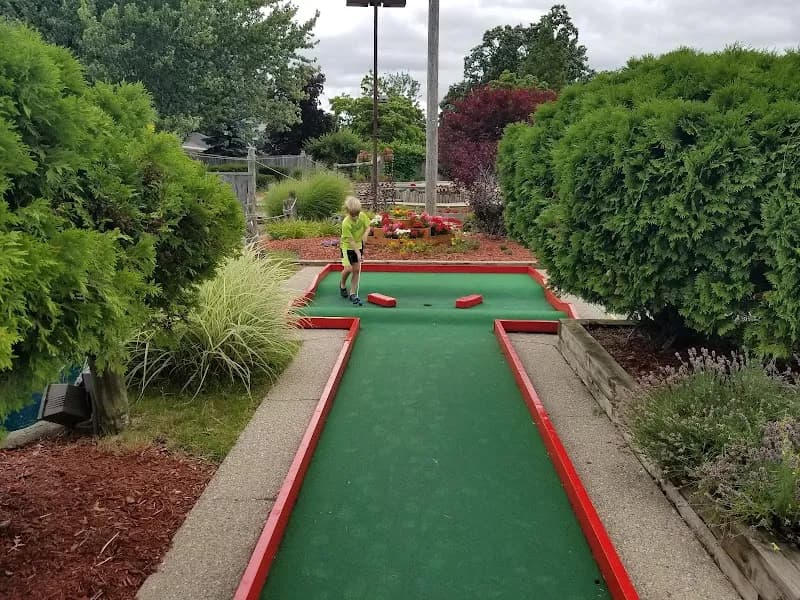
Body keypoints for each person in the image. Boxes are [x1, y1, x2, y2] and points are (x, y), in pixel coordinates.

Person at [339, 195, 370, 304]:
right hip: (347, 246)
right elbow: (351, 241)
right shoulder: (346, 223)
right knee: (348, 269)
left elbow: (368, 226)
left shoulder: (362, 216)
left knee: (356, 270)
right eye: (353, 215)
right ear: (347, 212)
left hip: (359, 245)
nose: (356, 217)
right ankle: (342, 284)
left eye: (357, 214)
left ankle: (352, 293)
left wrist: (366, 234)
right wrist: (358, 253)